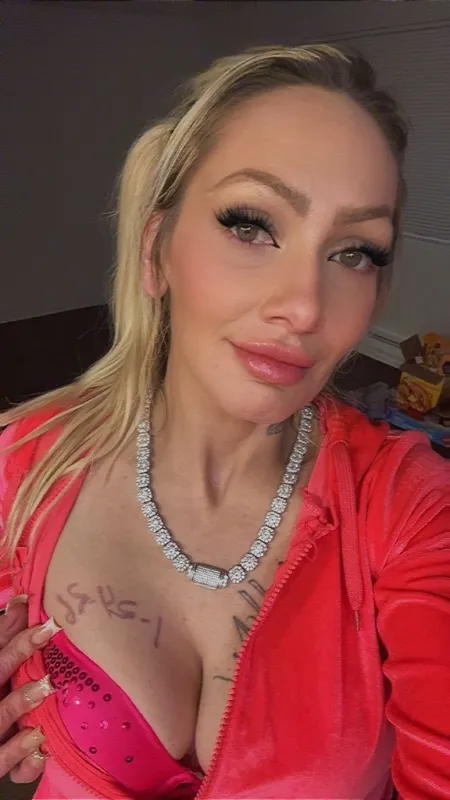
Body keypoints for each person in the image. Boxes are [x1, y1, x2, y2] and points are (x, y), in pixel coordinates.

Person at [0, 43, 449, 800]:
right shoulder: (24, 463)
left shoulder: (411, 506)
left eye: (354, 252)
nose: (303, 306)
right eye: (251, 226)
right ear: (156, 251)